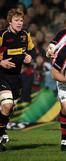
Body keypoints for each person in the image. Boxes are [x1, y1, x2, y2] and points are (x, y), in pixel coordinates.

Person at [0, 8, 34, 151]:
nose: (20, 23)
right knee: (7, 106)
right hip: (2, 75)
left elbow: (30, 51)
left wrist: (29, 57)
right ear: (10, 21)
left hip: (16, 78)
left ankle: (1, 133)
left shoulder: (25, 35)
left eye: (21, 20)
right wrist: (0, 62)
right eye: (16, 20)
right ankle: (1, 134)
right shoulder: (3, 35)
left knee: (8, 109)